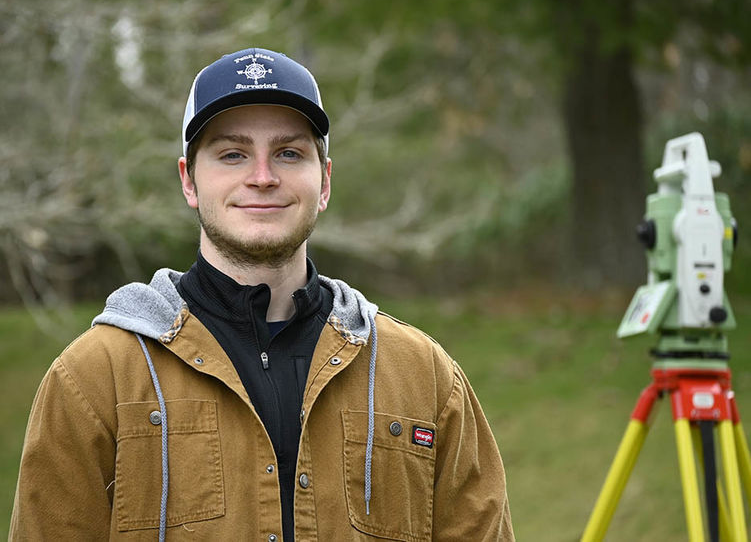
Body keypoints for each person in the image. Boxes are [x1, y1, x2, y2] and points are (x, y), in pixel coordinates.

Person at [10, 47, 514, 541]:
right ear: (188, 180)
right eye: (232, 154)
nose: (262, 177)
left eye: (289, 153)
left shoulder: (424, 378)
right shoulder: (94, 379)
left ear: (325, 182)